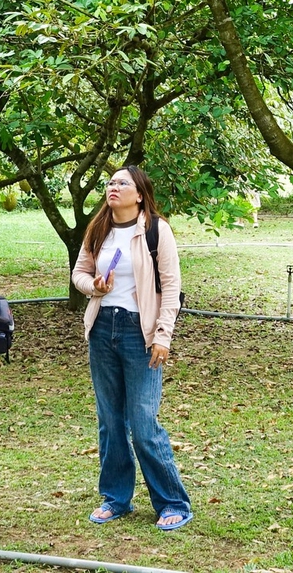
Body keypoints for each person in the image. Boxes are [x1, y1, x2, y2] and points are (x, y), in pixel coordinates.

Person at [70, 166, 193, 531]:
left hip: (139, 331)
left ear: (139, 193)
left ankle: (173, 502)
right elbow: (79, 273)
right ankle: (115, 498)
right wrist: (93, 286)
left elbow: (171, 287)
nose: (113, 187)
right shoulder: (98, 228)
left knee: (142, 422)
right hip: (103, 328)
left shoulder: (156, 229)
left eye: (122, 183)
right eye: (110, 182)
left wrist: (163, 335)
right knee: (110, 421)